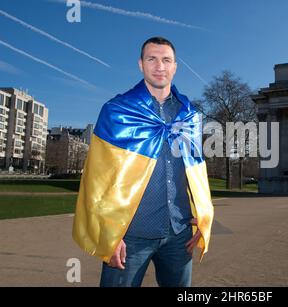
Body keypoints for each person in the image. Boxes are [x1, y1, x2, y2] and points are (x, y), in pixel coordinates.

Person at [72, 37, 214, 287]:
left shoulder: (190, 115)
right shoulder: (116, 110)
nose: (160, 66)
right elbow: (97, 177)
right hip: (130, 235)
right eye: (152, 59)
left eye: (166, 60)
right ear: (141, 64)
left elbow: (196, 170)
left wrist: (203, 215)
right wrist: (109, 232)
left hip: (179, 233)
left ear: (175, 67)